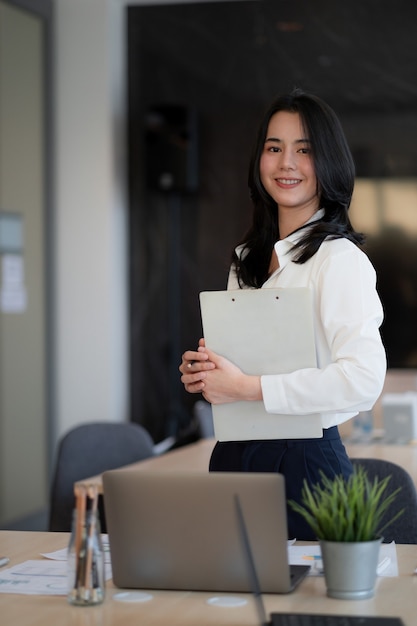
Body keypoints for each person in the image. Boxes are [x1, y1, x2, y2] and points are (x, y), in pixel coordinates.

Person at [179, 88, 386, 539]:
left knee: (308, 608)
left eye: (304, 150)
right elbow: (238, 378)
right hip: (235, 455)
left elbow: (364, 379)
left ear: (328, 162)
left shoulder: (338, 259)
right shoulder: (246, 258)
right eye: (274, 148)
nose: (286, 163)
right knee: (230, 603)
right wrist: (208, 375)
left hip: (306, 463)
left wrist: (247, 387)